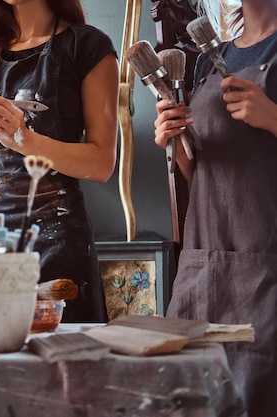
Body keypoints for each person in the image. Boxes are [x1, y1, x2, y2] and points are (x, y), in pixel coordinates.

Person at [0, 0, 119, 322]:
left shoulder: (87, 46)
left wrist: (24, 139)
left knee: (58, 365)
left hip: (53, 245)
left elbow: (102, 162)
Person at [153, 0, 277, 414]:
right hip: (203, 270)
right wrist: (176, 139)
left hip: (267, 273)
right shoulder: (213, 58)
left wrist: (274, 117)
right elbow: (203, 175)